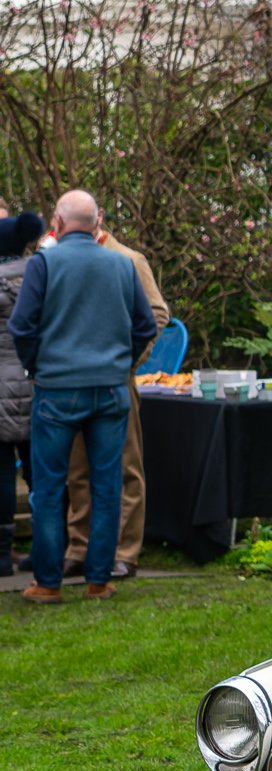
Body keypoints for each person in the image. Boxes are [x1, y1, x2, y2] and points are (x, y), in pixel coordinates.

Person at [7, 190, 156, 602]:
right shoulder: (121, 265)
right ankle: (98, 580)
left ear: (57, 220)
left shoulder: (45, 263)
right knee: (108, 486)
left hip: (56, 389)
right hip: (110, 389)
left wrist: (37, 365)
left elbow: (21, 325)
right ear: (96, 222)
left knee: (50, 489)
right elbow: (147, 324)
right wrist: (120, 364)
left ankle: (49, 583)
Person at [64, 209, 170, 581]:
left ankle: (125, 553)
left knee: (125, 468)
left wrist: (127, 361)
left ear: (98, 220)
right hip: (73, 380)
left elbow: (158, 314)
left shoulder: (129, 260)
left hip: (116, 379)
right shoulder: (64, 259)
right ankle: (79, 547)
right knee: (78, 470)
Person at [0, 211, 46, 576]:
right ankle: (46, 548)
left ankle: (1, 554)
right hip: (35, 385)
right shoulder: (41, 273)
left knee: (0, 474)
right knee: (39, 471)